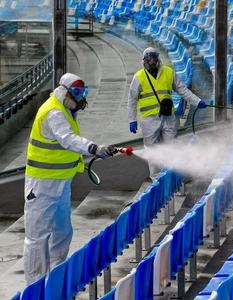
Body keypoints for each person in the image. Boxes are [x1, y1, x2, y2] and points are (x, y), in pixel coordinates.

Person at [23, 73, 115, 284]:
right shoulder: (54, 112)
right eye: (76, 94)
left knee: (63, 231)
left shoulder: (66, 109)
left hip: (61, 182)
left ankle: (56, 278)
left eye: (82, 94)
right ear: (65, 92)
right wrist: (93, 148)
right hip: (41, 185)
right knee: (37, 237)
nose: (80, 100)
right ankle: (35, 288)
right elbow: (68, 139)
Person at [128, 47, 207, 177]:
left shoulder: (168, 72)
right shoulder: (138, 77)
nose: (152, 62)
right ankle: (154, 178)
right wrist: (132, 120)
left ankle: (168, 177)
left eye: (154, 59)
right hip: (149, 120)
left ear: (157, 59)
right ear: (144, 61)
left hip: (168, 117)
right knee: (152, 150)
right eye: (149, 59)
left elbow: (182, 90)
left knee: (170, 148)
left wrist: (197, 101)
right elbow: (132, 100)